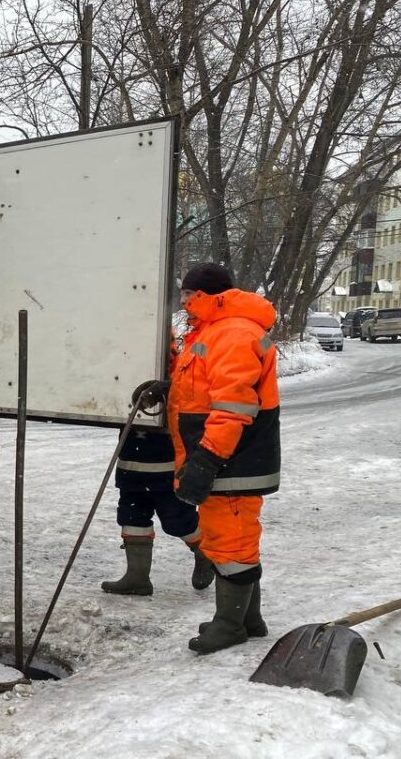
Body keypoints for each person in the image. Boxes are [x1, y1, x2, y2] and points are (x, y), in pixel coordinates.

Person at [167, 263, 280, 654]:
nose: (183, 302)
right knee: (226, 538)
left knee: (232, 542)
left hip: (232, 459)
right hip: (226, 458)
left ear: (209, 296)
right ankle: (247, 618)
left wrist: (207, 459)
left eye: (189, 295)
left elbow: (232, 406)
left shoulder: (233, 333)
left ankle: (230, 625)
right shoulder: (213, 330)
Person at [101, 424, 213, 596]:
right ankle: (137, 578)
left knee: (178, 521)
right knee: (132, 518)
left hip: (168, 469)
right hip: (131, 468)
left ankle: (205, 551)